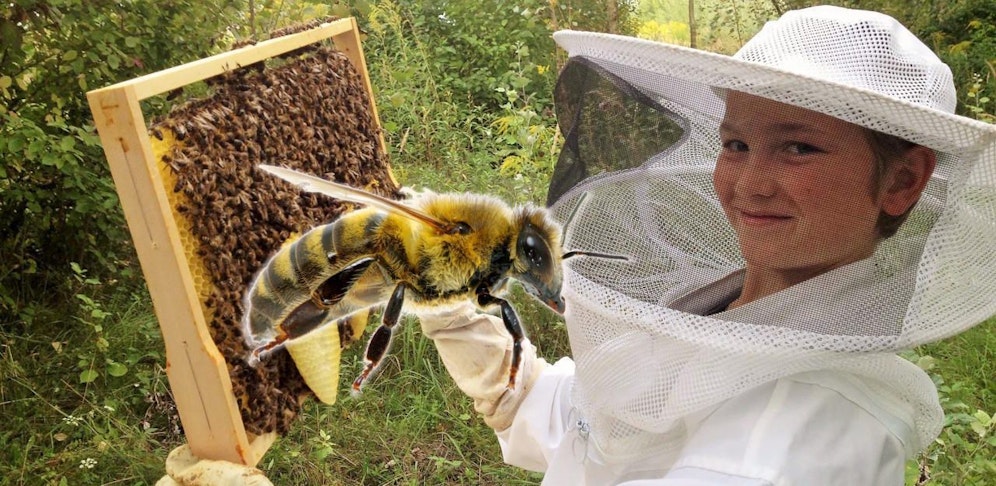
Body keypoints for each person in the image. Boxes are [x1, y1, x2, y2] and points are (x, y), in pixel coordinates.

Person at [159, 5, 996, 485]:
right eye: (736, 142)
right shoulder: (736, 312)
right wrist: (464, 319)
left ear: (902, 182)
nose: (747, 181)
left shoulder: (796, 436)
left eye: (798, 147)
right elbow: (590, 429)